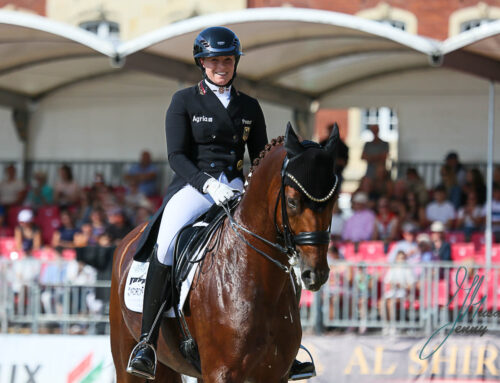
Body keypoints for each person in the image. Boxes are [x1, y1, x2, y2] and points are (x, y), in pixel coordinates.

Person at [128, 27, 311, 380]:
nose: (221, 66)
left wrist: (249, 188)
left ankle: (290, 344)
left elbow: (259, 158)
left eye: (227, 59)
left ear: (235, 62)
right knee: (165, 245)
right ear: (202, 63)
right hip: (194, 188)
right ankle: (147, 343)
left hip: (239, 190)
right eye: (214, 60)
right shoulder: (183, 101)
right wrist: (208, 185)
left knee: (282, 250)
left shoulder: (249, 106)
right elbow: (176, 156)